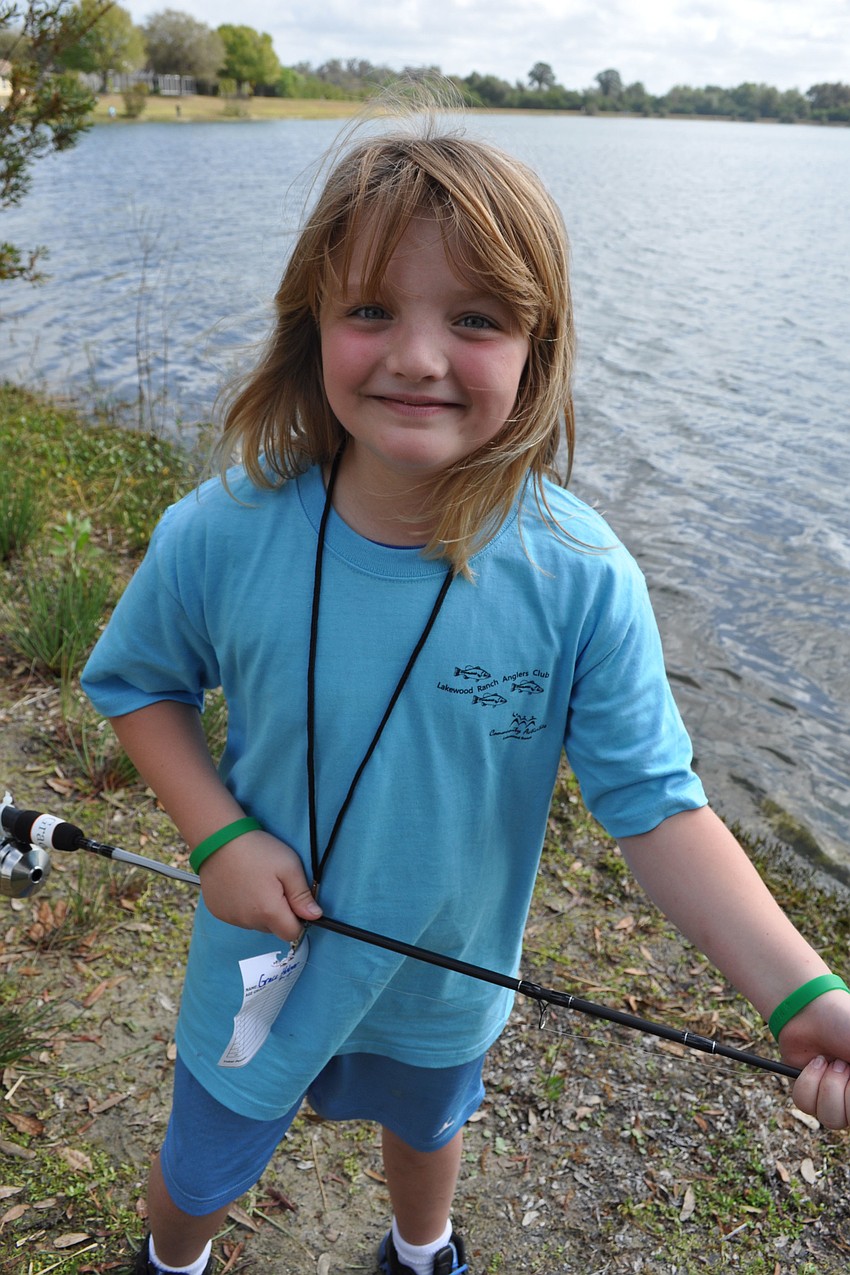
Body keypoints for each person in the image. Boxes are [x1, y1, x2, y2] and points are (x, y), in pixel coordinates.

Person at [81, 116, 850, 1275]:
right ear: (311, 327)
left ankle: (420, 1247)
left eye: (476, 319)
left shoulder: (581, 578)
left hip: (445, 980)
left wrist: (802, 993)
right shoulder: (221, 530)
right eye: (371, 309)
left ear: (538, 351)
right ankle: (170, 1259)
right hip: (257, 972)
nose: (418, 357)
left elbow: (657, 808)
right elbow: (139, 685)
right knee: (202, 1162)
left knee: (430, 1122)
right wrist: (219, 834)